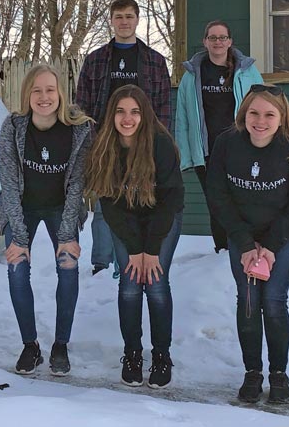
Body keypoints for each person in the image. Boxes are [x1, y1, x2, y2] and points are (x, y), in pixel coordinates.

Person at [206, 85, 289, 404]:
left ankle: (278, 374)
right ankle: (252, 373)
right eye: (254, 112)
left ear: (281, 119)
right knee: (250, 300)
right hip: (242, 234)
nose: (261, 120)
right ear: (244, 114)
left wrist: (268, 245)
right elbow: (218, 196)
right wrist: (243, 242)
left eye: (269, 114)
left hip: (284, 235)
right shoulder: (227, 143)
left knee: (274, 299)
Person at [86, 85, 184, 389]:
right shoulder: (105, 148)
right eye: (120, 111)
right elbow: (110, 205)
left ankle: (161, 356)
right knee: (129, 285)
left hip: (162, 218)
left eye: (135, 112)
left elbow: (171, 198)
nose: (127, 118)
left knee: (155, 283)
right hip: (125, 219)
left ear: (145, 115)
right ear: (112, 115)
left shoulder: (161, 144)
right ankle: (132, 354)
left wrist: (151, 249)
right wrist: (133, 248)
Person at [0, 64, 93, 376]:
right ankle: (30, 345)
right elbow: (9, 184)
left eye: (50, 90)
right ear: (27, 95)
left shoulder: (78, 130)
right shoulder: (12, 127)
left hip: (60, 207)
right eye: (36, 90)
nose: (44, 96)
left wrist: (67, 236)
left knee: (67, 265)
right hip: (20, 206)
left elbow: (76, 186)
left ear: (60, 94)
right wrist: (19, 240)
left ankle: (61, 345)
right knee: (16, 267)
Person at [76, 0, 171, 276]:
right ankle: (101, 263)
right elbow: (82, 103)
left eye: (129, 16)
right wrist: (93, 139)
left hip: (142, 142)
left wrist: (158, 142)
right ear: (111, 20)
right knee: (106, 200)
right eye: (119, 17)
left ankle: (127, 259)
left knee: (138, 197)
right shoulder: (95, 60)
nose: (124, 22)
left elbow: (163, 105)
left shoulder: (154, 60)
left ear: (137, 19)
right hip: (105, 142)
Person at [176, 20, 264, 252]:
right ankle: (222, 251)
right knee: (217, 203)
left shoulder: (247, 72)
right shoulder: (191, 76)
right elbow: (183, 118)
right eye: (212, 38)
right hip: (206, 152)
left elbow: (265, 107)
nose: (218, 42)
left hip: (241, 149)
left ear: (230, 41)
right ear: (205, 42)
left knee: (243, 200)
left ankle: (246, 248)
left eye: (222, 37)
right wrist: (186, 155)